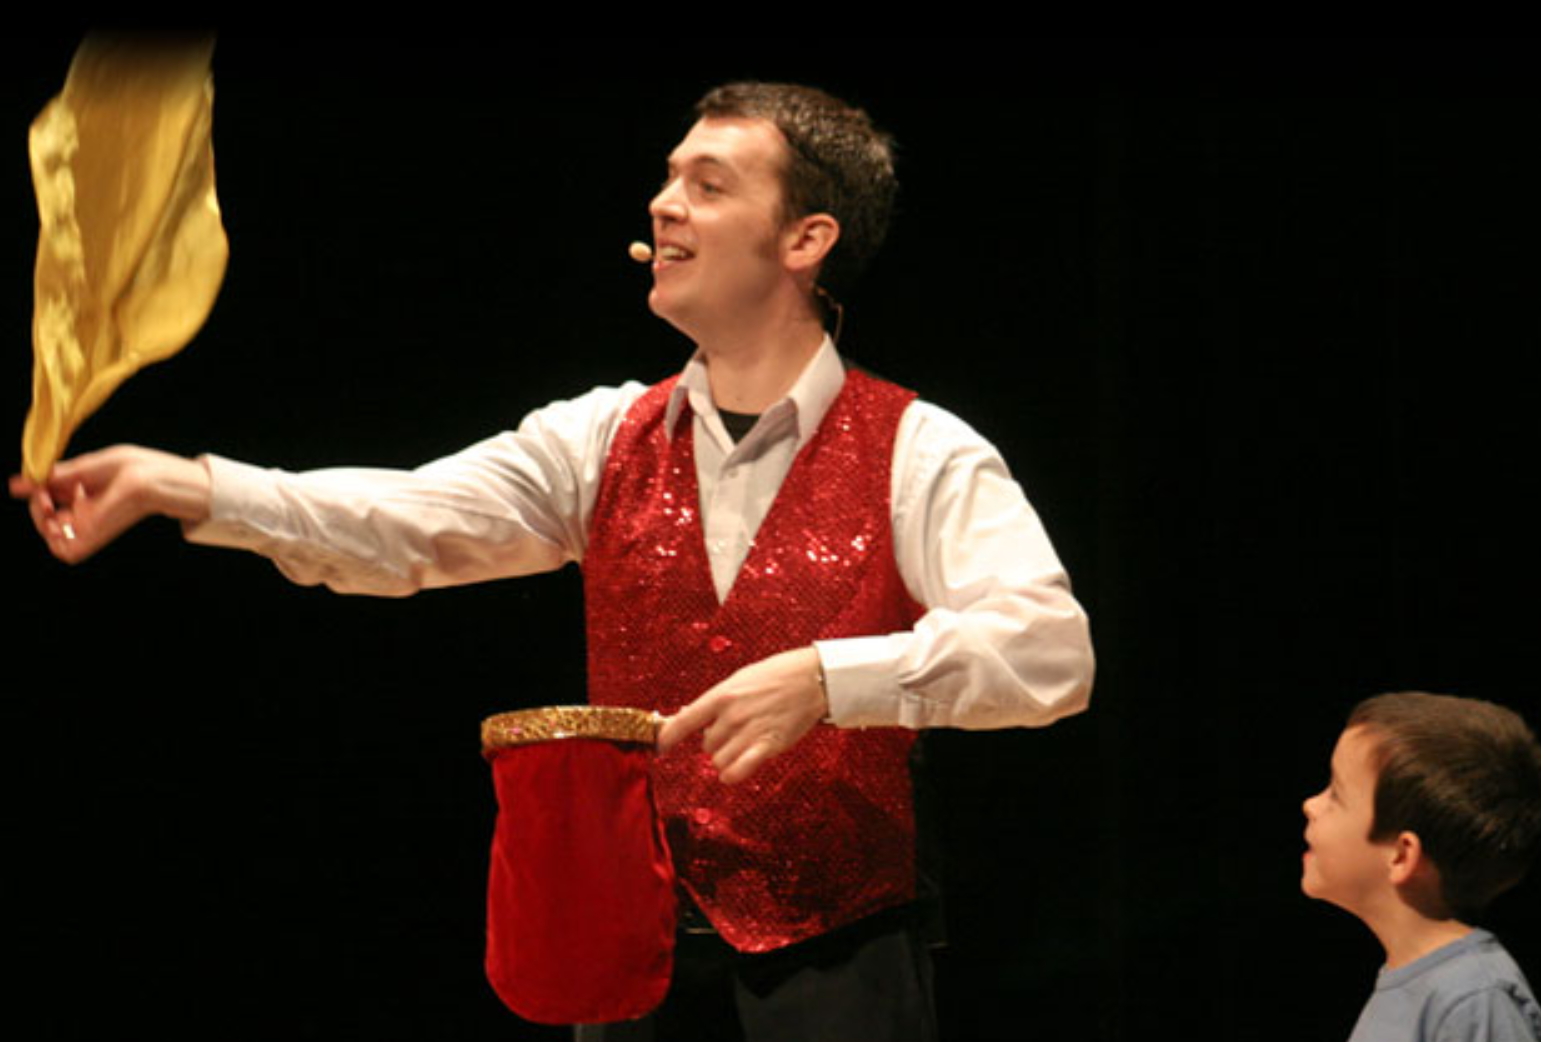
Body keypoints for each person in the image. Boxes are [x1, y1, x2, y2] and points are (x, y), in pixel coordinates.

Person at [12, 82, 1095, 1039]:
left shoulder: (918, 447)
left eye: (708, 185)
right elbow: (402, 521)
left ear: (805, 239)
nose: (663, 205)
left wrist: (827, 678)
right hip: (625, 955)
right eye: (667, 179)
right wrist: (186, 485)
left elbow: (1048, 653)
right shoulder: (600, 438)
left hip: (838, 957)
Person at [1301, 691, 1541, 1042]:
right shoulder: (1425, 985)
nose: (1310, 805)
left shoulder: (1473, 998)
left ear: (1401, 855)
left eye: (1336, 795)